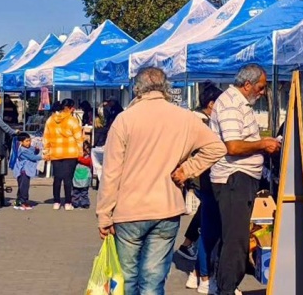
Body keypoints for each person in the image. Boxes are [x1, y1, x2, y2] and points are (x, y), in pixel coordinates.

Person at [96, 67, 226, 295]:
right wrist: (187, 169)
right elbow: (217, 147)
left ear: (137, 89)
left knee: (127, 279)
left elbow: (111, 172)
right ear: (166, 88)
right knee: (154, 281)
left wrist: (104, 214)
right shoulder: (185, 117)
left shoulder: (124, 120)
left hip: (129, 210)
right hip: (167, 208)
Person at [209, 64, 281, 295]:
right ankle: (227, 288)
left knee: (230, 235)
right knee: (236, 238)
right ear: (247, 84)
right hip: (234, 177)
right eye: (260, 87)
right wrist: (263, 144)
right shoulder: (231, 104)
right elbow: (233, 146)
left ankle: (222, 283)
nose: (262, 92)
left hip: (241, 177)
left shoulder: (241, 104)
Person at [182, 84, 224, 293]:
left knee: (205, 228)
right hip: (206, 181)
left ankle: (197, 273)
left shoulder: (191, 120)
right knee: (209, 231)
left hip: (199, 181)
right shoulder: (203, 124)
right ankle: (204, 276)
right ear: (210, 104)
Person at [43, 99, 84, 211]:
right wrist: (81, 152)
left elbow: (46, 138)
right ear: (71, 108)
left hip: (55, 152)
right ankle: (67, 202)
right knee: (68, 179)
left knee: (57, 178)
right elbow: (78, 138)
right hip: (70, 153)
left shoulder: (50, 120)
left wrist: (46, 152)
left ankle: (56, 202)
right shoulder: (72, 121)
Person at [12, 132, 42, 210]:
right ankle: (23, 203)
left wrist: (36, 150)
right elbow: (32, 157)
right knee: (24, 188)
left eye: (29, 140)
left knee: (21, 187)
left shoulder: (28, 148)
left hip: (25, 171)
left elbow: (33, 151)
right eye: (27, 141)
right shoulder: (23, 150)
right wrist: (43, 157)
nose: (29, 143)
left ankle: (18, 203)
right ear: (21, 142)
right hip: (23, 171)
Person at [72, 140, 92, 209]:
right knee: (75, 192)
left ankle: (85, 203)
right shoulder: (76, 158)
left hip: (85, 178)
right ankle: (75, 203)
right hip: (77, 178)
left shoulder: (88, 158)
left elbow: (87, 162)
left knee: (84, 193)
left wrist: (79, 159)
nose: (84, 152)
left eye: (86, 150)